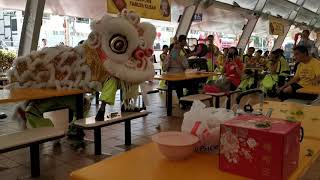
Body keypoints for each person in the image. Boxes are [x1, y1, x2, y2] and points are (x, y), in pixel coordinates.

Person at [163, 35, 194, 99]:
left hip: (172, 79)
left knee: (188, 84)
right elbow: (186, 66)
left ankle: (184, 100)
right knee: (190, 84)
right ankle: (184, 101)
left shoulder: (169, 56)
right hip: (176, 79)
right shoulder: (180, 56)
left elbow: (164, 68)